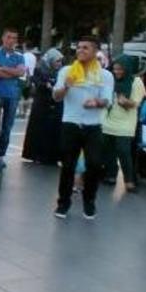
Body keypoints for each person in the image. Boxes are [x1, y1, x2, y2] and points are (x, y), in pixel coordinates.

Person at [52, 36, 114, 220]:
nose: (80, 51)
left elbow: (107, 100)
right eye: (78, 47)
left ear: (95, 52)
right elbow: (56, 97)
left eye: (86, 48)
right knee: (68, 166)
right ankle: (63, 203)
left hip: (93, 126)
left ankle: (89, 201)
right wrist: (66, 86)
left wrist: (96, 102)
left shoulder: (105, 75)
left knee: (94, 164)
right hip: (70, 124)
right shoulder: (67, 71)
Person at [102, 55, 145, 192]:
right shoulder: (111, 79)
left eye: (120, 69)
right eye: (115, 69)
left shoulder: (136, 81)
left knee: (123, 150)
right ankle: (111, 175)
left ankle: (129, 180)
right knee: (108, 150)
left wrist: (126, 102)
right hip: (108, 119)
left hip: (125, 122)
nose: (117, 72)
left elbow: (137, 103)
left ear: (127, 69)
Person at [0, 28, 26, 168]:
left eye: (14, 38)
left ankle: (0, 155)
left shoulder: (19, 56)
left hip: (12, 96)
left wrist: (2, 68)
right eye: (9, 37)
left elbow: (21, 71)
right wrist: (12, 72)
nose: (11, 41)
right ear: (3, 38)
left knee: (7, 126)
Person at [22, 49, 64, 165]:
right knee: (39, 130)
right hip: (42, 104)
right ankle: (37, 155)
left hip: (56, 103)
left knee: (54, 130)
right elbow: (39, 83)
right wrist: (48, 85)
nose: (59, 64)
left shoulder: (61, 72)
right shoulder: (40, 69)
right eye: (57, 61)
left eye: (60, 62)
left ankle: (53, 156)